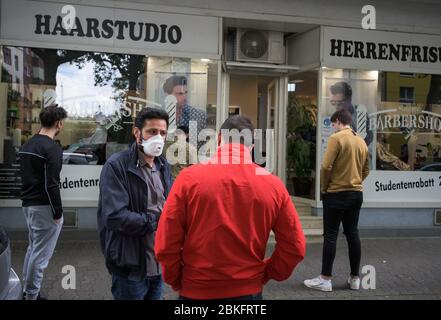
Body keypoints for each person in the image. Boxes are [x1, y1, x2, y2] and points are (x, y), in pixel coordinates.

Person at [155, 115, 306, 300]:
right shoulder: (273, 185)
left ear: (219, 139)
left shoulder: (188, 179)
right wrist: (266, 273)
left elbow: (166, 242)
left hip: (196, 289)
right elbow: (295, 246)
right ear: (252, 145)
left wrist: (176, 279)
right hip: (247, 290)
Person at [97, 107, 173, 300]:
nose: (158, 138)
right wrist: (156, 220)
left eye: (162, 133)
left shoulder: (163, 166)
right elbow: (115, 217)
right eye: (152, 132)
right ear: (137, 132)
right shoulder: (117, 166)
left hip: (158, 264)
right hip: (130, 266)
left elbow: (169, 205)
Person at [304, 109, 369, 292]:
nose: (333, 129)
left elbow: (325, 166)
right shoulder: (361, 140)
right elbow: (366, 170)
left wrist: (325, 188)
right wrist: (355, 182)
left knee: (331, 235)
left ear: (339, 121)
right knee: (353, 234)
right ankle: (355, 279)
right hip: (356, 194)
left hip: (336, 194)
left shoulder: (337, 138)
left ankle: (325, 279)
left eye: (333, 125)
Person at [19, 104, 67, 300]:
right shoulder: (52, 148)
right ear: (58, 123)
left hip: (28, 205)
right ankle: (31, 295)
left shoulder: (27, 145)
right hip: (44, 207)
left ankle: (27, 289)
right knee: (40, 255)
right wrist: (57, 212)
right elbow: (51, 185)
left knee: (33, 249)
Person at [163, 75, 206, 147]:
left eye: (186, 92)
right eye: (180, 94)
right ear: (167, 95)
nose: (184, 97)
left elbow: (200, 146)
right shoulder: (159, 116)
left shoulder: (197, 115)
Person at [329, 81, 373, 146]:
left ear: (349, 99)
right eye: (334, 103)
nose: (337, 107)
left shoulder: (360, 114)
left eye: (340, 103)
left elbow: (367, 140)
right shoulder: (334, 116)